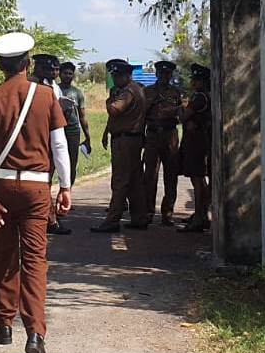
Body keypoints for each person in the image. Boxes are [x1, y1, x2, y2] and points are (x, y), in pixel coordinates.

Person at [0, 33, 72, 353]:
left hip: (1, 188)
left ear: (0, 65)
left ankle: (3, 325)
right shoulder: (46, 96)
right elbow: (60, 146)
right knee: (34, 261)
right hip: (36, 190)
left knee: (4, 255)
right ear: (27, 64)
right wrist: (67, 186)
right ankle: (35, 334)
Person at [91, 59, 148, 232]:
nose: (114, 79)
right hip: (130, 138)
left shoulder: (128, 92)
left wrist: (109, 100)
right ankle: (139, 217)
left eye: (117, 76)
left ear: (125, 76)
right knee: (134, 181)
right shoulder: (135, 89)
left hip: (126, 140)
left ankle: (112, 220)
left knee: (121, 180)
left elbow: (114, 110)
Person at [32, 53, 71, 236]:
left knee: (45, 180)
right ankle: (49, 220)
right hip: (37, 140)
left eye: (55, 69)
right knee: (41, 180)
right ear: (37, 68)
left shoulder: (53, 86)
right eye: (48, 69)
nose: (53, 72)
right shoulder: (31, 85)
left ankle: (49, 218)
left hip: (51, 137)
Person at [141, 60, 184, 225]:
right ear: (156, 74)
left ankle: (167, 213)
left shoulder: (176, 93)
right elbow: (142, 115)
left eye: (167, 73)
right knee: (150, 176)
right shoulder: (148, 91)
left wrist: (173, 112)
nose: (164, 76)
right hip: (152, 135)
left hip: (170, 134)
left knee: (171, 175)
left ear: (170, 75)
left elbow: (181, 114)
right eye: (161, 73)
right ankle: (148, 212)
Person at [178, 63, 213, 232]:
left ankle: (200, 216)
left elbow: (184, 117)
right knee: (199, 180)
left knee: (198, 180)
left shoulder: (200, 97)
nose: (193, 82)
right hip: (198, 140)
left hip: (197, 142)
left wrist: (178, 109)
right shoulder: (206, 96)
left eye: (196, 79)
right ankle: (200, 214)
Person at [57, 61, 92, 189]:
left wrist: (88, 137)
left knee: (71, 162)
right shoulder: (54, 90)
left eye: (70, 74)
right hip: (57, 129)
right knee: (54, 162)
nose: (67, 76)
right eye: (65, 73)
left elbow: (82, 116)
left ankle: (67, 191)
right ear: (59, 74)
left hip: (73, 131)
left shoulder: (77, 92)